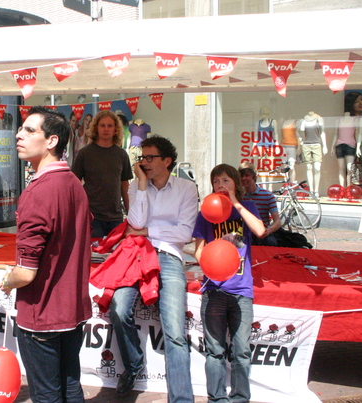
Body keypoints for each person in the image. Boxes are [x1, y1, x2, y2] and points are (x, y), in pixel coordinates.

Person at [0, 106, 92, 403]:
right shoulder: (74, 184)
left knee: (47, 394)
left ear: (52, 141)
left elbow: (26, 272)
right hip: (72, 309)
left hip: (43, 313)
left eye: (29, 130)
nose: (19, 135)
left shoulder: (38, 191)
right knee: (70, 384)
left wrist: (7, 281)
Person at [108, 135, 197, 400]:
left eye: (149, 158)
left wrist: (147, 231)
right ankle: (133, 365)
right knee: (119, 308)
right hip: (135, 254)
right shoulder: (138, 186)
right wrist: (143, 186)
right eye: (142, 158)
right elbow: (133, 219)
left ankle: (181, 398)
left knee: (175, 331)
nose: (144, 162)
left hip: (168, 257)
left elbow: (184, 232)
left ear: (167, 161)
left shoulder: (186, 188)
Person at [193, 164, 265, 403]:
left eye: (225, 180)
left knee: (241, 351)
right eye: (216, 182)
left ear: (235, 183)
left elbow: (260, 230)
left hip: (242, 291)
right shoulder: (205, 213)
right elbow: (198, 252)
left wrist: (235, 203)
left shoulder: (247, 207)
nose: (220, 185)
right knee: (214, 351)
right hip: (214, 290)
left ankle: (240, 398)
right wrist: (215, 254)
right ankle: (216, 399)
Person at [72, 110, 133, 238]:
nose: (106, 129)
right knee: (94, 254)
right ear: (96, 128)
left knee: (116, 254)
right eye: (102, 125)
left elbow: (125, 186)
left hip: (115, 216)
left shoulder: (121, 154)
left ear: (116, 129)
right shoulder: (85, 153)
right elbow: (74, 184)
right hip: (92, 215)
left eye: (110, 126)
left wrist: (131, 214)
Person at [239, 166, 280, 246]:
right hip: (243, 232)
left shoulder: (268, 195)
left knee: (271, 243)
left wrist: (269, 230)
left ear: (254, 177)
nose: (244, 178)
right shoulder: (238, 196)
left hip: (262, 232)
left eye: (247, 175)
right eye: (241, 176)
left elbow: (277, 221)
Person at [299, 111, 327, 197]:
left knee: (317, 168)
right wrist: (300, 142)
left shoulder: (319, 119)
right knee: (308, 167)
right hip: (306, 145)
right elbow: (300, 132)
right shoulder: (304, 120)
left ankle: (316, 190)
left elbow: (322, 133)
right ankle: (311, 190)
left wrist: (325, 145)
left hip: (316, 144)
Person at [280, 118, 300, 183]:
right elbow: (281, 135)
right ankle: (286, 182)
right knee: (284, 165)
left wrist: (299, 148)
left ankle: (292, 182)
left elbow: (298, 136)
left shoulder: (295, 122)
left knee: (291, 166)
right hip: (283, 146)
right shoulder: (283, 122)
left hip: (292, 146)